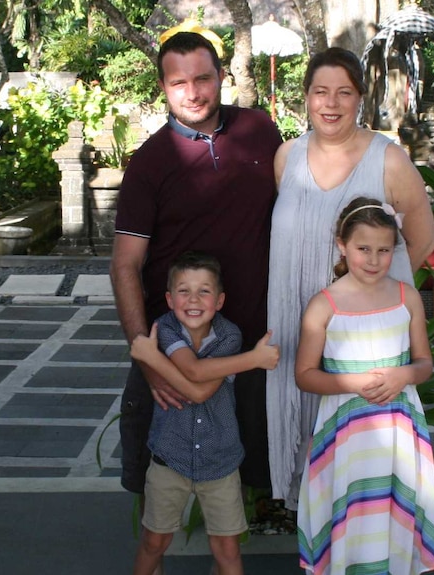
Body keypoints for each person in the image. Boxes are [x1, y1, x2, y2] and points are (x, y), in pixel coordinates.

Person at [110, 29, 282, 506]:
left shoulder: (259, 131)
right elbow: (126, 265)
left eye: (203, 78)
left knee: (258, 471)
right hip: (179, 344)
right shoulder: (149, 164)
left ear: (222, 76)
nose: (194, 92)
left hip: (254, 340)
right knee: (156, 480)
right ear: (163, 87)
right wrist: (147, 355)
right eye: (179, 82)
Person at [266, 47, 434, 508]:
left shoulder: (389, 160)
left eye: (344, 92)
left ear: (360, 98)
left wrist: (369, 298)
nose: (331, 103)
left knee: (358, 458)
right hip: (293, 321)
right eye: (320, 91)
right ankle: (316, 527)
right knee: (303, 419)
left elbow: (421, 242)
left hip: (356, 345)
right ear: (305, 97)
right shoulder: (287, 157)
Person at [295, 197, 434, 574]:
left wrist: (405, 374)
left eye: (384, 250)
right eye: (363, 249)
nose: (374, 259)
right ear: (342, 245)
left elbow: (425, 363)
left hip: (399, 433)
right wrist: (354, 382)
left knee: (394, 512)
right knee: (352, 510)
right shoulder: (324, 305)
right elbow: (305, 374)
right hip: (347, 438)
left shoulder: (406, 298)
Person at [128, 251, 280, 575]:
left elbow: (199, 389)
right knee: (154, 542)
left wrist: (151, 359)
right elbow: (195, 375)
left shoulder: (229, 335)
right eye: (184, 290)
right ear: (169, 299)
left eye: (204, 291)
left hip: (221, 462)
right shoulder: (164, 329)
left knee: (227, 549)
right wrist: (254, 359)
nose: (193, 299)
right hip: (170, 459)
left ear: (220, 300)